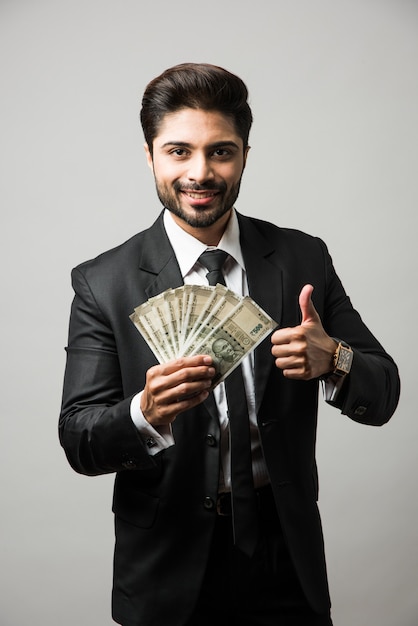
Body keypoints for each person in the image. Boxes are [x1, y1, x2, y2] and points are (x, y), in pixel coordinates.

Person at [59, 63, 400, 626]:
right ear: (149, 156)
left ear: (244, 154)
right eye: (178, 152)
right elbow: (78, 437)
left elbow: (383, 394)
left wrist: (334, 360)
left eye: (221, 152)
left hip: (285, 554)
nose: (200, 173)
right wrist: (144, 414)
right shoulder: (104, 282)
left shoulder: (301, 258)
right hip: (166, 564)